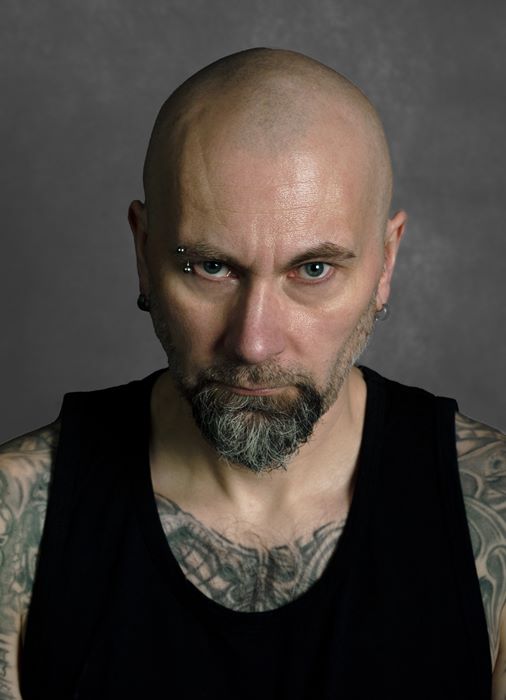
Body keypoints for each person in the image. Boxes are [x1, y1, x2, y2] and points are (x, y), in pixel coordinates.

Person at [0, 47, 504, 699]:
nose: (254, 342)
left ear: (386, 263)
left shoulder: (493, 514)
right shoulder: (15, 519)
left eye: (313, 270)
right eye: (211, 267)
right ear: (143, 252)